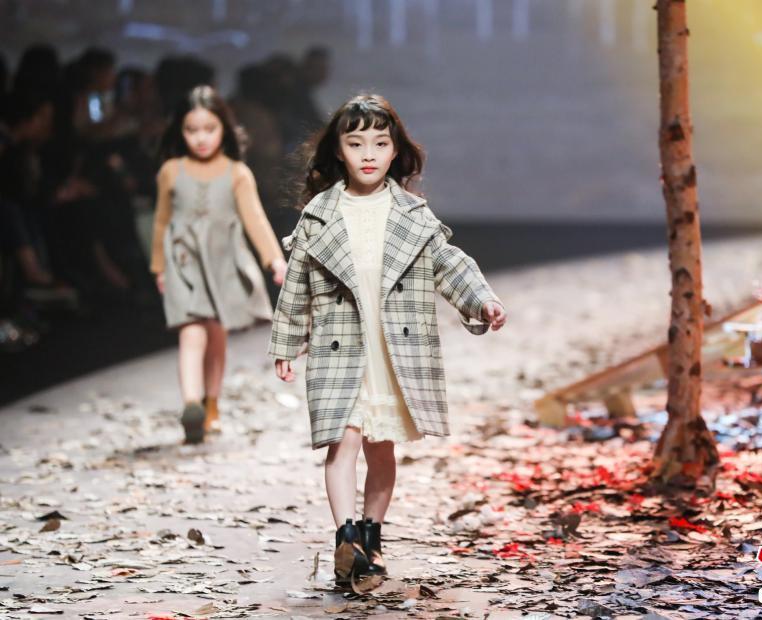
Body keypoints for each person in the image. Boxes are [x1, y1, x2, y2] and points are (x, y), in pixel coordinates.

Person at [268, 93, 507, 587]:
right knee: (341, 443)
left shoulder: (413, 215)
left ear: (396, 150)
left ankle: (371, 538)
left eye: (380, 143)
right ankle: (346, 538)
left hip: (394, 351)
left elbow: (449, 262)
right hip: (339, 348)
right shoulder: (319, 214)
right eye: (356, 143)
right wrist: (286, 343)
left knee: (381, 450)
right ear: (338, 151)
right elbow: (296, 284)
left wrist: (481, 300)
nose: (369, 154)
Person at [151, 85, 287, 444]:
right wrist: (159, 266)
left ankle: (210, 403)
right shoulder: (171, 171)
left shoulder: (237, 172)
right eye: (191, 130)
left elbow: (255, 219)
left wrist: (274, 259)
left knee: (215, 334)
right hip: (184, 261)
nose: (200, 138)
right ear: (180, 131)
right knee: (191, 331)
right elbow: (161, 221)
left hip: (224, 261)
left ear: (224, 129)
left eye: (209, 129)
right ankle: (191, 404)